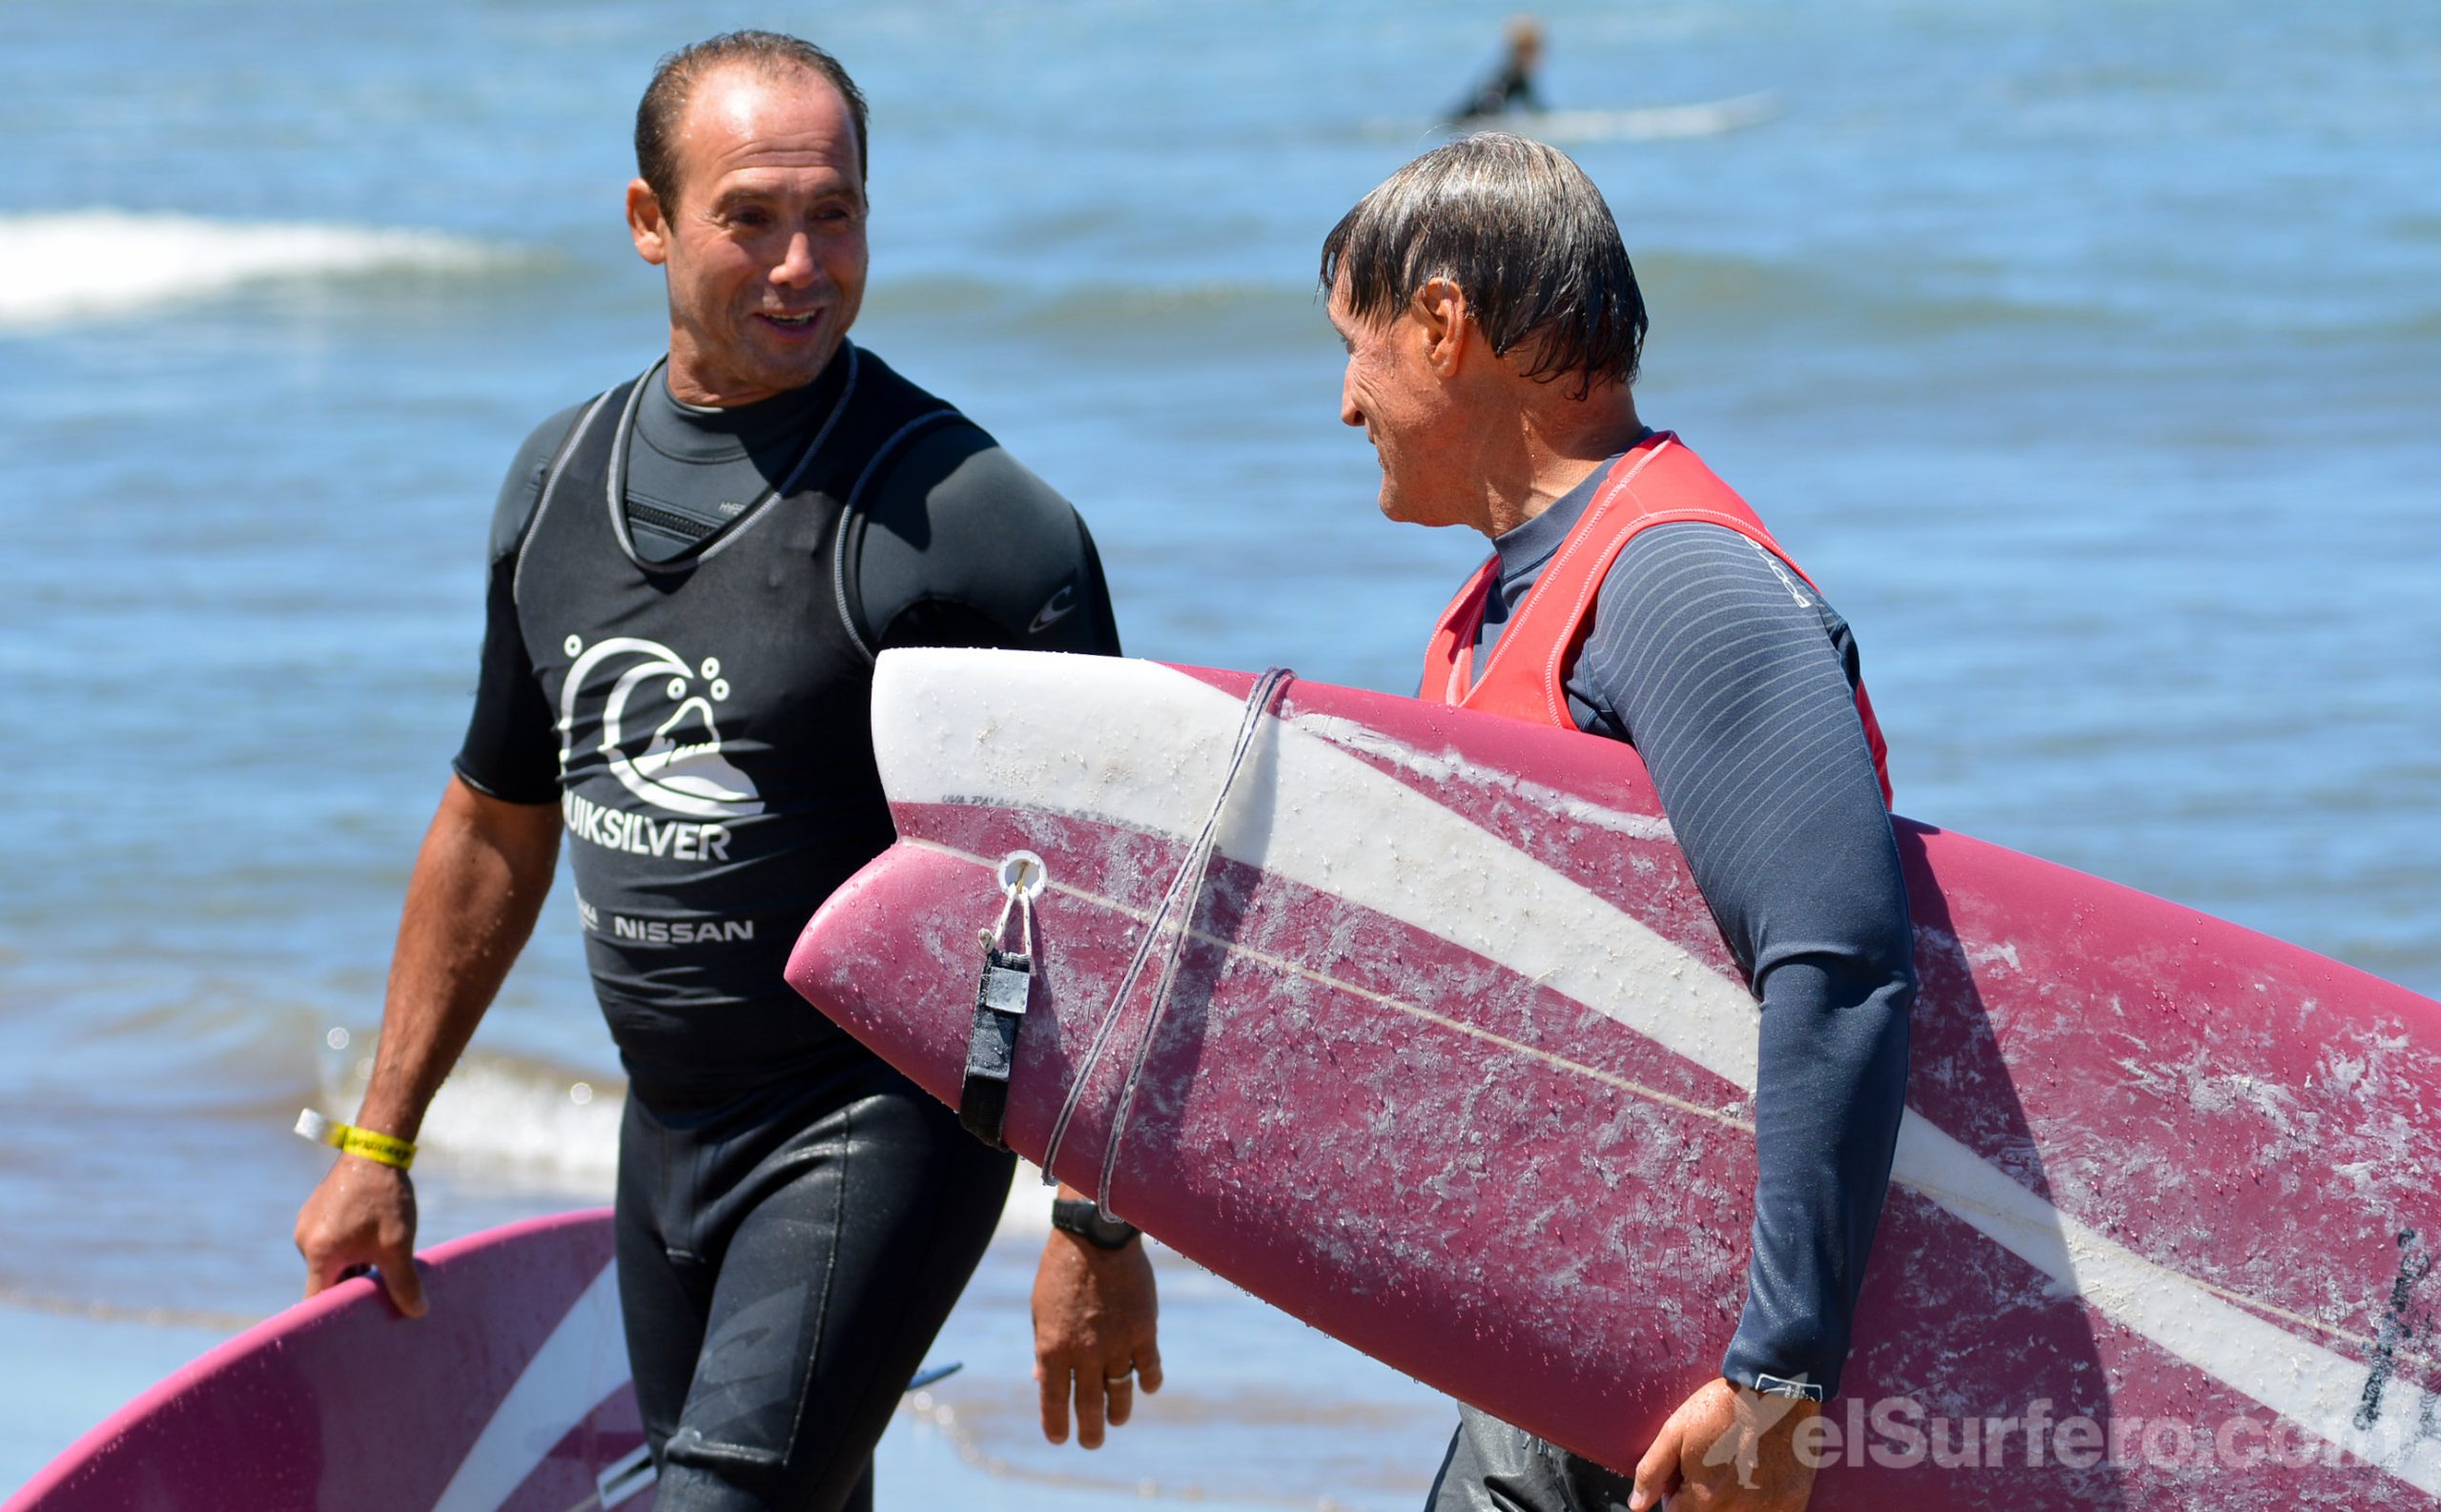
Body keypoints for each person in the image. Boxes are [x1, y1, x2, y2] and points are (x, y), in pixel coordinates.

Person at [292, 31, 1159, 1511]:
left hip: (872, 1121)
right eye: (750, 218)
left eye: (835, 215)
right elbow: (497, 824)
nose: (800, 264)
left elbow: (1109, 890)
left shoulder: (974, 524)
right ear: (649, 221)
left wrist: (1095, 1222)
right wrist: (381, 1137)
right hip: (667, 1134)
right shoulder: (558, 486)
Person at [1319, 133, 1915, 1512]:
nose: (1346, 403)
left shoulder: (1674, 585)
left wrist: (1781, 1373)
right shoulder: (1485, 619)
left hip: (1700, 1389)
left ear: (1443, 324)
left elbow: (1838, 963)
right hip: (1564, 1346)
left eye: (1355, 347)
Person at [1448, 17, 1546, 126]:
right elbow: (1489, 103)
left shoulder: (1517, 75)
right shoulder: (1510, 76)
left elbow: (1534, 109)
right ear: (1524, 51)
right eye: (1537, 51)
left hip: (1464, 119)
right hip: (1464, 122)